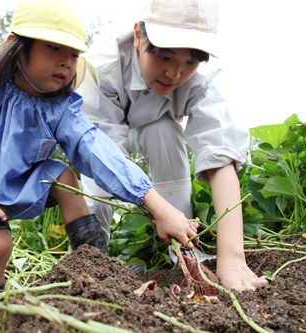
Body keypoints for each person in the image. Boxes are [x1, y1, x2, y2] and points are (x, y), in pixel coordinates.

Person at [0, 0, 200, 292]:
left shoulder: (61, 108)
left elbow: (95, 149)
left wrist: (153, 203)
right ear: (17, 46)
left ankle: (95, 264)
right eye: (54, 48)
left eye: (74, 54)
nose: (66, 61)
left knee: (66, 178)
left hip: (33, 180)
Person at [76, 0, 268, 291]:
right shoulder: (103, 66)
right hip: (104, 134)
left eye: (190, 61)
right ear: (139, 35)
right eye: (164, 57)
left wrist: (232, 259)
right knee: (98, 184)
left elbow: (220, 155)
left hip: (152, 124)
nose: (174, 74)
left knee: (163, 130)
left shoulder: (203, 79)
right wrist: (156, 209)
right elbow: (104, 156)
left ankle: (187, 253)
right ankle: (93, 259)